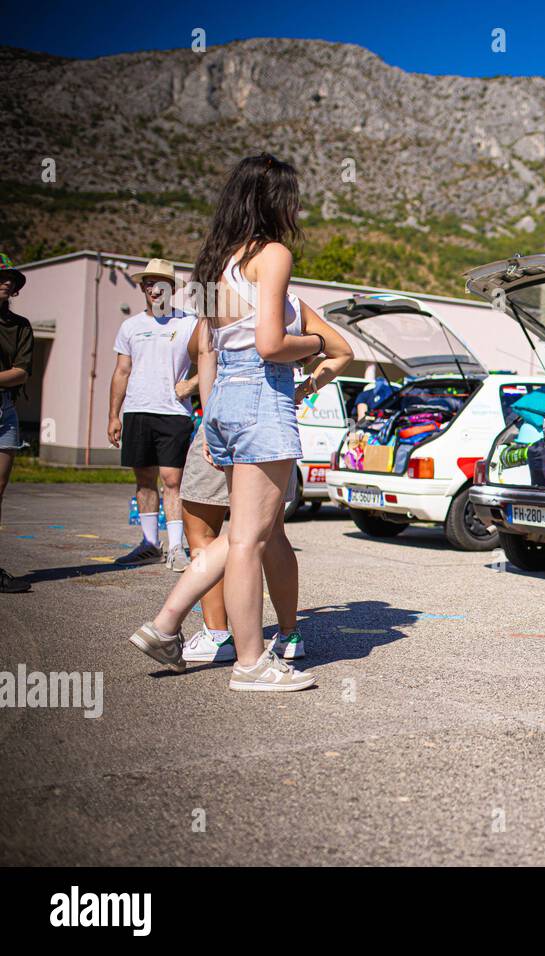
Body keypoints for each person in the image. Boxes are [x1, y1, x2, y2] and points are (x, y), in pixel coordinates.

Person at [127, 153, 329, 692]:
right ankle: (250, 664)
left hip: (224, 401)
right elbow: (270, 344)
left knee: (240, 533)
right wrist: (313, 345)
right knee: (247, 540)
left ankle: (167, 624)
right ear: (273, 200)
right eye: (291, 195)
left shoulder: (216, 262)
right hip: (264, 394)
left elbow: (212, 349)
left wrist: (211, 415)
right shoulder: (274, 254)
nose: (297, 206)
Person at [179, 300, 352, 664]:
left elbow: (204, 352)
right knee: (269, 533)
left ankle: (216, 635)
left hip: (228, 413)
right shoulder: (291, 304)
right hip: (272, 418)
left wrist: (210, 424)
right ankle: (287, 634)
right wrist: (305, 386)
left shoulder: (223, 294)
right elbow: (343, 352)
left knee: (204, 532)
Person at [109, 258, 199, 570]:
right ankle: (149, 544)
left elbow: (214, 359)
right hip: (137, 410)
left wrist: (192, 384)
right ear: (143, 288)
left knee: (171, 480)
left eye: (161, 282)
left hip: (173, 413)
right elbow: (121, 371)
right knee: (144, 479)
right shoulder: (130, 326)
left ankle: (176, 548)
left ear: (171, 288)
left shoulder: (188, 323)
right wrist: (113, 415)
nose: (154, 288)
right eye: (148, 282)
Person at [0, 254, 34, 593]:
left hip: (4, 410)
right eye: (1, 276)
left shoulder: (20, 325)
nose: (7, 282)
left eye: (12, 278)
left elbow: (22, 371)